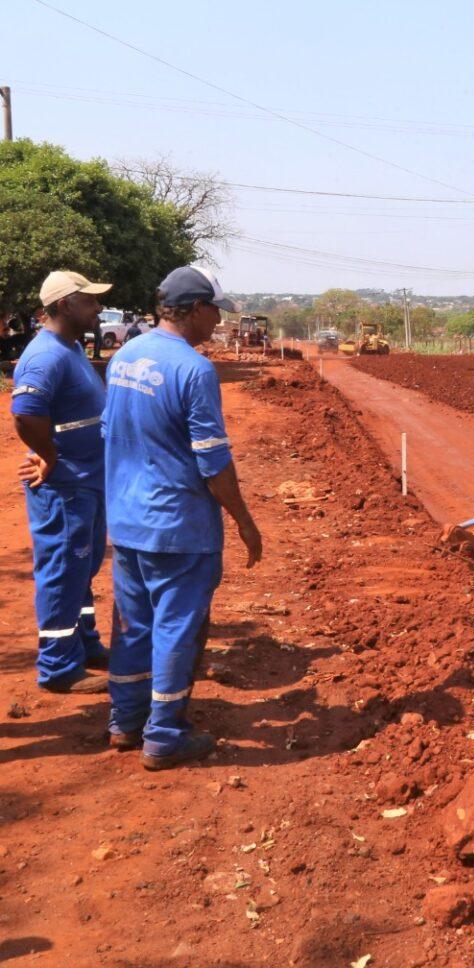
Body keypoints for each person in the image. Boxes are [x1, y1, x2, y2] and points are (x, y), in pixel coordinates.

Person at [102, 265, 262, 770]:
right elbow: (212, 460)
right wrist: (243, 519)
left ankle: (124, 722)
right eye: (215, 311)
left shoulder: (125, 356)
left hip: (127, 520)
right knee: (176, 628)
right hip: (177, 525)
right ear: (194, 309)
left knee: (131, 624)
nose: (218, 321)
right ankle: (165, 737)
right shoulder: (193, 370)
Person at [10, 271, 113, 693]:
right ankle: (57, 667)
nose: (98, 307)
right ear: (66, 305)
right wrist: (50, 455)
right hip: (66, 484)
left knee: (81, 568)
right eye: (89, 301)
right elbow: (25, 413)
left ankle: (85, 644)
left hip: (86, 479)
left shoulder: (69, 348)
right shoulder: (46, 356)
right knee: (61, 570)